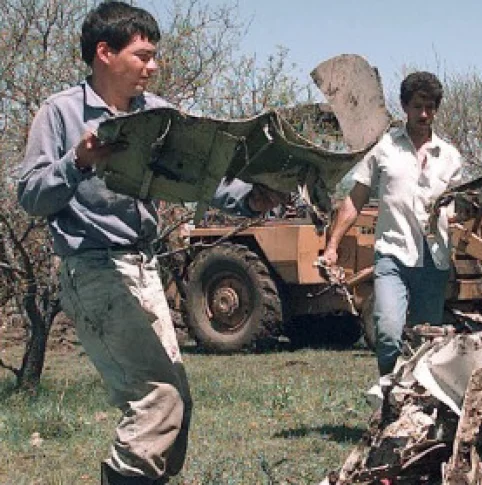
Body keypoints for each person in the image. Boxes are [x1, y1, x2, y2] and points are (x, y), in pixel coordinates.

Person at [15, 2, 282, 483]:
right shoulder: (61, 114)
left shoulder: (160, 115)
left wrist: (252, 200)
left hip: (144, 268)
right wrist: (77, 162)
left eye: (154, 55)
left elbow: (205, 180)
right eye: (143, 55)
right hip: (91, 269)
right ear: (104, 53)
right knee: (157, 402)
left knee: (177, 409)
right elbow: (31, 197)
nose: (153, 66)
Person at [321, 71, 463, 376]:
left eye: (430, 107)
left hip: (434, 260)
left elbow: (458, 211)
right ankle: (388, 392)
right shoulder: (384, 149)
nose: (424, 114)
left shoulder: (450, 157)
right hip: (392, 255)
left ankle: (418, 409)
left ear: (437, 108)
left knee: (428, 342)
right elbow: (354, 200)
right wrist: (332, 245)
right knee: (387, 332)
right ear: (404, 106)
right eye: (417, 106)